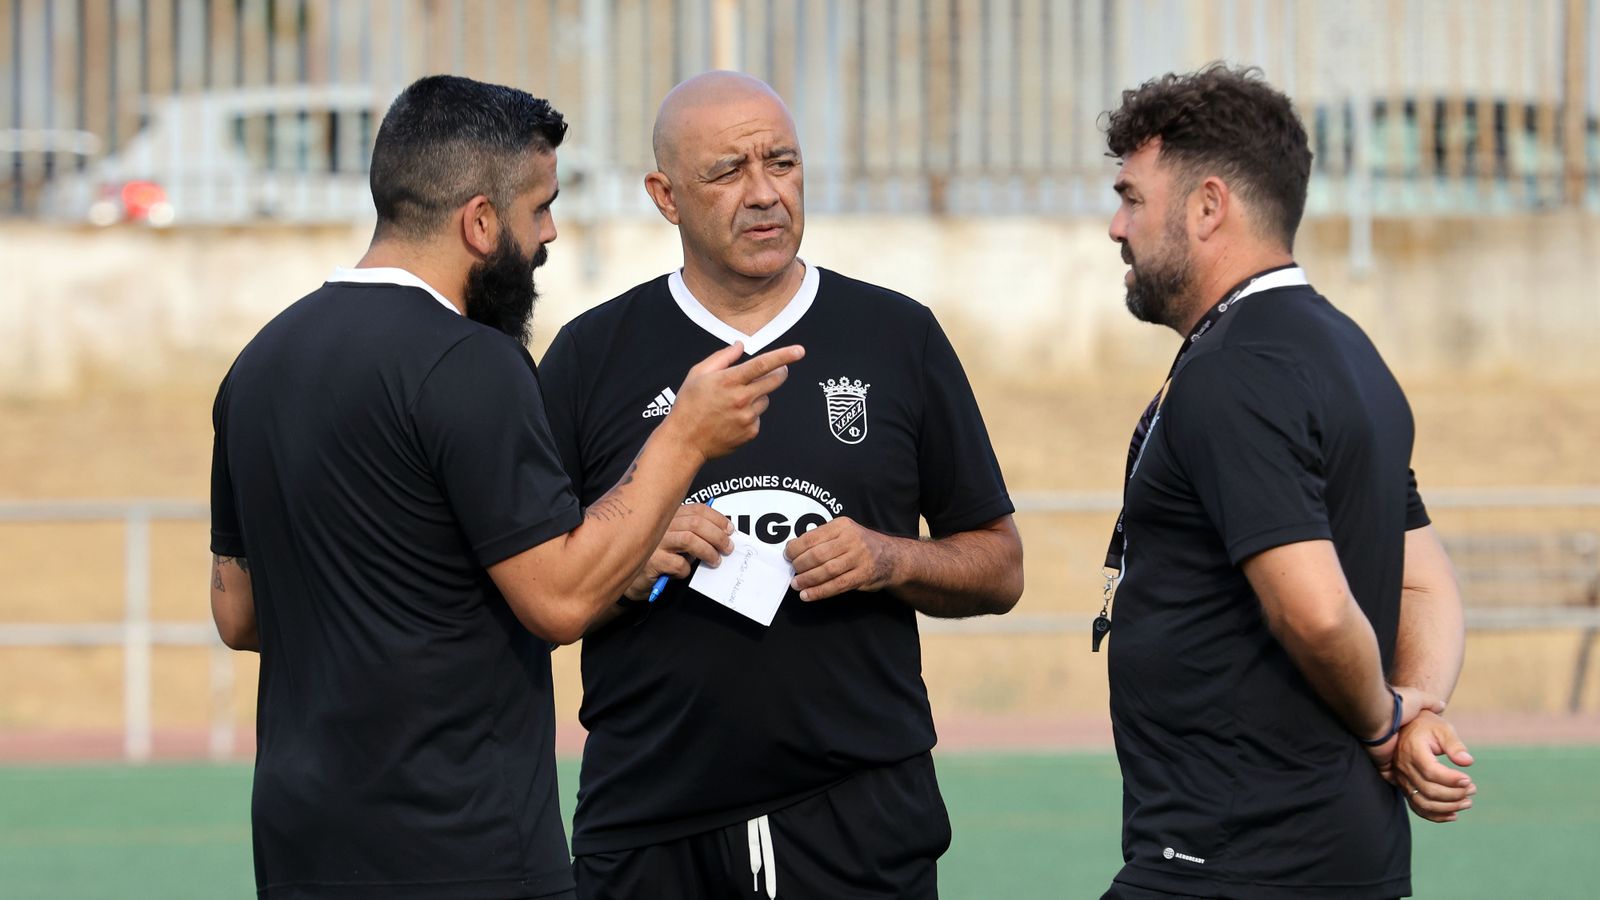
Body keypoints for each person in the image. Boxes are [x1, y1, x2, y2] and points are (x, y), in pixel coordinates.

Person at [207, 74, 803, 900]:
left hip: (299, 841)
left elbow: (238, 612)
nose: (551, 232)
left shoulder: (259, 364)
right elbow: (558, 600)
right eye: (539, 208)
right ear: (480, 223)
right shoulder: (471, 362)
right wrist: (685, 437)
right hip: (461, 846)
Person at [537, 71, 1024, 899]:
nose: (764, 194)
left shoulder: (896, 336)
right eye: (729, 172)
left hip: (859, 814)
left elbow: (1000, 566)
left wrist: (888, 558)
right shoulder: (590, 356)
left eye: (783, 164)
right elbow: (533, 595)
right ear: (665, 195)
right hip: (650, 821)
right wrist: (627, 558)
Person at [1097, 64, 1474, 900]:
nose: (1114, 226)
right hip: (1336, 858)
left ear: (1207, 207)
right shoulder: (1346, 350)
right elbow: (1427, 581)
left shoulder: (1237, 370)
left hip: (1231, 862)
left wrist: (1384, 722)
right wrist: (1420, 704)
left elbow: (1311, 605)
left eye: (1131, 196)